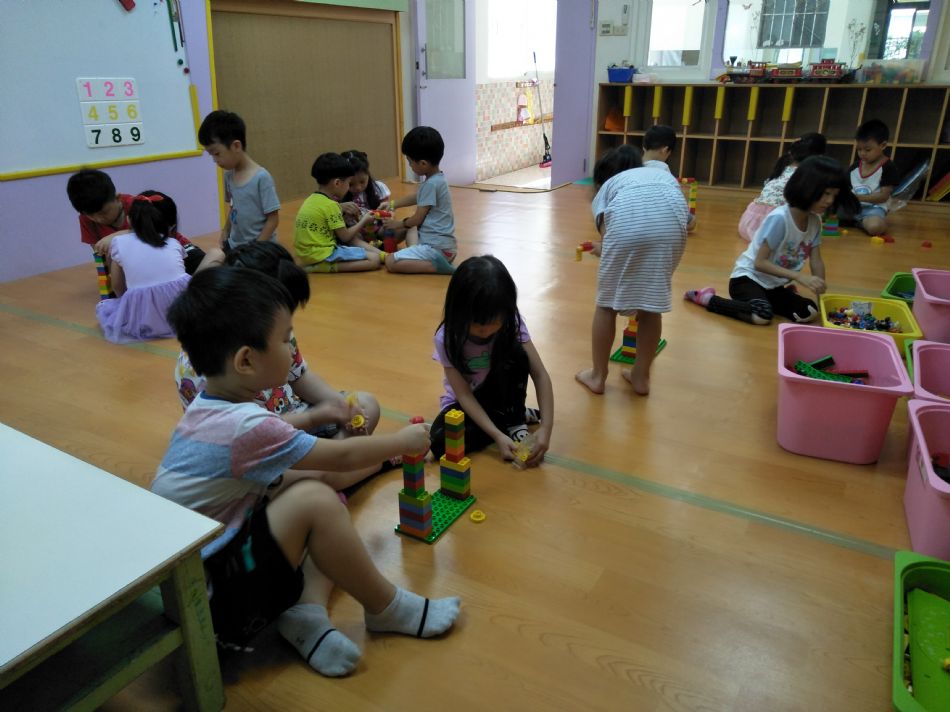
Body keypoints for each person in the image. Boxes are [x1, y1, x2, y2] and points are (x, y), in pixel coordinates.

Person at [154, 267, 461, 677]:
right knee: (316, 500)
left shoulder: (210, 409)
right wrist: (401, 443)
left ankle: (305, 613)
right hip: (208, 611)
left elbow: (280, 447)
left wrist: (318, 415)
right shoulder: (246, 427)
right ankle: (386, 607)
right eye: (286, 339)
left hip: (193, 585)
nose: (293, 348)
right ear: (246, 360)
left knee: (314, 501)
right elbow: (343, 457)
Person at [174, 241, 386, 492]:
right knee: (298, 484)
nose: (287, 330)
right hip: (258, 447)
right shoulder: (207, 369)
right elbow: (255, 435)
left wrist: (341, 407)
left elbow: (301, 376)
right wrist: (380, 452)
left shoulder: (272, 330)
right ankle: (345, 468)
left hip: (295, 422)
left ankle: (335, 470)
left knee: (366, 403)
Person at [575, 144, 689, 396]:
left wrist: (604, 248)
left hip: (631, 233)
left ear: (601, 179)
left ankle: (598, 376)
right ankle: (641, 376)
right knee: (651, 307)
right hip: (672, 231)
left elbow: (614, 237)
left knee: (606, 305)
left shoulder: (608, 187)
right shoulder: (659, 174)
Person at [685, 155, 851, 326]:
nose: (830, 201)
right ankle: (708, 299)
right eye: (826, 193)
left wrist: (821, 298)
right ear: (807, 187)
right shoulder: (780, 219)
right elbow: (760, 263)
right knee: (762, 315)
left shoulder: (815, 221)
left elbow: (816, 261)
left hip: (773, 285)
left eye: (834, 195)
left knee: (809, 311)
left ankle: (776, 297)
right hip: (747, 279)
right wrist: (799, 277)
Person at [428, 255, 553, 467]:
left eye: (494, 322)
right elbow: (464, 395)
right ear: (458, 312)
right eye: (478, 324)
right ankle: (508, 420)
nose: (486, 331)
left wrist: (546, 428)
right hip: (470, 401)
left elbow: (540, 374)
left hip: (503, 394)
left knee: (517, 352)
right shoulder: (447, 338)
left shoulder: (511, 323)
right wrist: (497, 435)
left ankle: (514, 417)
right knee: (440, 443)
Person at [96, 191, 221, 343]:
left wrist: (128, 305)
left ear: (129, 219)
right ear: (170, 225)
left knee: (106, 308)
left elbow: (117, 285)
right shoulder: (174, 243)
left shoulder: (119, 243)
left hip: (144, 317)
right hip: (182, 312)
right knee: (215, 254)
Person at [66, 168, 205, 275]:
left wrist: (120, 235)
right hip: (141, 263)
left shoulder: (139, 204)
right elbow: (101, 254)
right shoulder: (85, 219)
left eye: (104, 212)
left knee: (204, 268)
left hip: (174, 249)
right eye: (91, 215)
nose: (98, 219)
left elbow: (157, 233)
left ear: (117, 198)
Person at [197, 110, 280, 252]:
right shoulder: (228, 176)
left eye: (217, 153)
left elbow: (273, 220)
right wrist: (225, 230)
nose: (215, 160)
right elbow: (234, 208)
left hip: (260, 248)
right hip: (236, 246)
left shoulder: (261, 178)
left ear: (236, 146)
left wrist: (255, 249)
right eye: (211, 155)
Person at [382, 127, 457, 274]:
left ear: (423, 164)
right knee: (411, 228)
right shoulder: (438, 178)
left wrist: (397, 224)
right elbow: (419, 197)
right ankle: (419, 255)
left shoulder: (430, 184)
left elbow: (417, 218)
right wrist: (393, 204)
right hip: (444, 246)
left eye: (410, 162)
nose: (410, 166)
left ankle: (436, 266)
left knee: (390, 262)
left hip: (437, 248)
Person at [293, 153, 383, 273]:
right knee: (375, 260)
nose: (349, 187)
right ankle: (323, 267)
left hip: (304, 255)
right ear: (337, 183)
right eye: (349, 183)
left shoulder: (311, 199)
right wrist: (363, 221)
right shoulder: (331, 205)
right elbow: (345, 237)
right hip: (323, 254)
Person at [738, 132, 827, 242]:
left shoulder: (782, 167)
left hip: (749, 223)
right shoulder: (808, 175)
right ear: (819, 157)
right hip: (773, 226)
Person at [339, 149, 406, 249]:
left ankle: (376, 249)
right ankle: (376, 251)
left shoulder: (378, 188)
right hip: (356, 233)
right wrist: (340, 207)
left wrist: (390, 215)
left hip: (379, 230)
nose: (358, 187)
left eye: (362, 181)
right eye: (351, 184)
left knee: (408, 226)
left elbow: (388, 209)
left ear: (368, 175)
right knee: (350, 239)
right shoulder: (338, 194)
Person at [847, 119, 899, 236]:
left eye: (867, 150)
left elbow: (883, 197)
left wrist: (857, 198)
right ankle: (858, 221)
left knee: (875, 227)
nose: (862, 153)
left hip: (873, 209)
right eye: (859, 149)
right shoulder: (855, 167)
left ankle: (861, 222)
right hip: (853, 208)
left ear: (883, 145)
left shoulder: (888, 167)